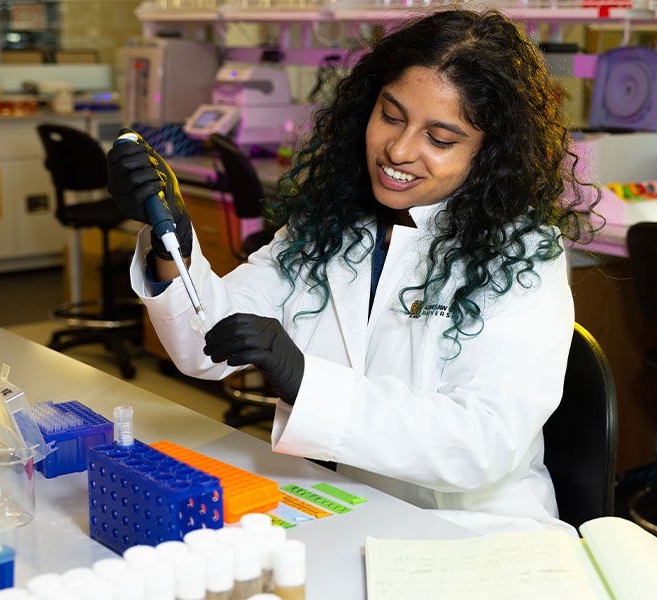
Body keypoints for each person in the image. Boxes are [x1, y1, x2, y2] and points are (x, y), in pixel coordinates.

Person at [107, 9, 597, 536]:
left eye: (441, 138)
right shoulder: (333, 223)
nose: (399, 150)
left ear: (487, 156)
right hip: (352, 511)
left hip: (473, 535)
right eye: (391, 115)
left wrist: (306, 382)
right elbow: (207, 344)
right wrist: (170, 236)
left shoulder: (521, 253)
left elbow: (485, 442)